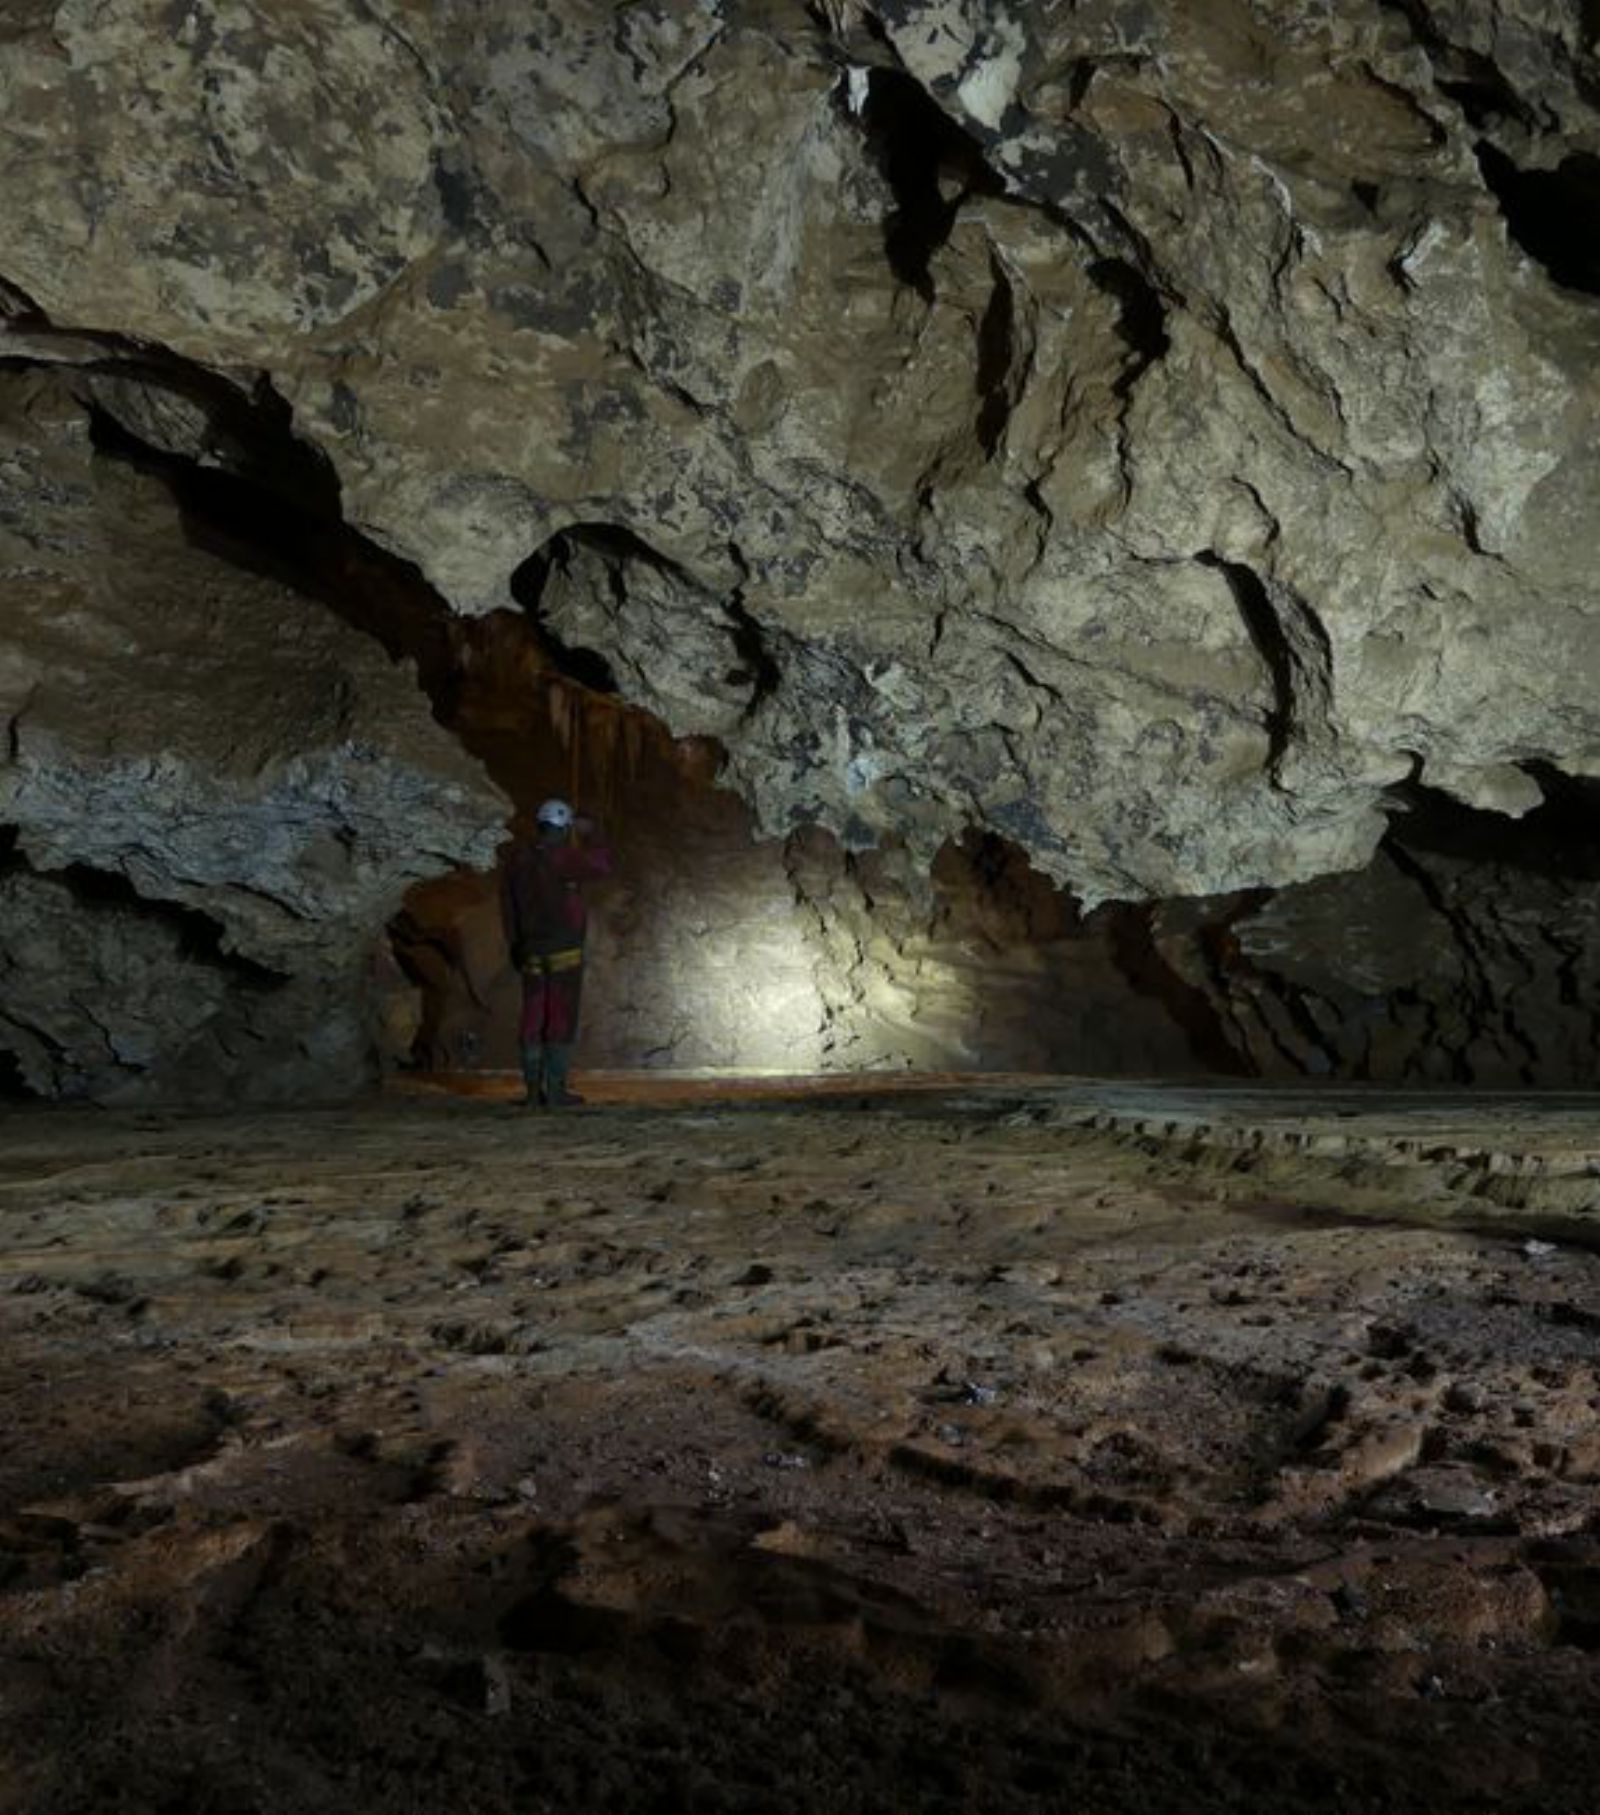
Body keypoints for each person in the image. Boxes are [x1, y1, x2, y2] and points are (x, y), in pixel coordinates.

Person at [500, 798, 613, 1107]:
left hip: (531, 952)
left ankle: (533, 1092)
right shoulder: (564, 857)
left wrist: (514, 945)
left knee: (532, 1018)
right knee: (560, 1018)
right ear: (565, 829)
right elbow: (601, 865)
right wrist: (592, 834)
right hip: (563, 951)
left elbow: (508, 908)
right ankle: (557, 1090)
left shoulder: (518, 860)